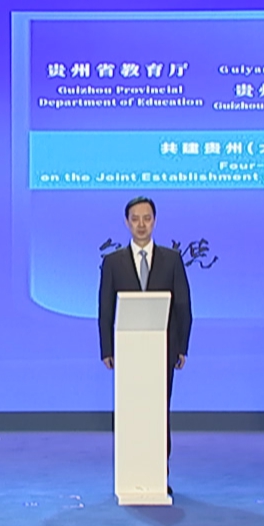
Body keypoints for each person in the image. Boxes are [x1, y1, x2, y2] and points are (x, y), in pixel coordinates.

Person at [98, 196, 192, 463]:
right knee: (131, 410)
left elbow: (183, 306)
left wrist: (182, 347)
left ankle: (160, 470)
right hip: (127, 350)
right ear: (127, 222)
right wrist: (107, 349)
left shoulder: (172, 259)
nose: (141, 225)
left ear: (155, 221)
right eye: (135, 219)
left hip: (163, 349)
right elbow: (105, 309)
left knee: (159, 410)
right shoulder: (113, 262)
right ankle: (132, 467)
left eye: (147, 219)